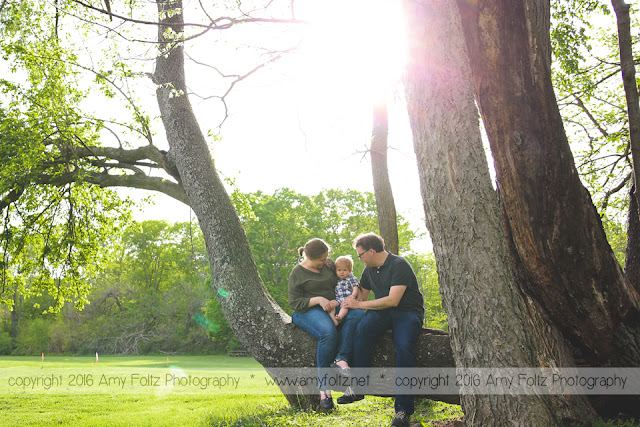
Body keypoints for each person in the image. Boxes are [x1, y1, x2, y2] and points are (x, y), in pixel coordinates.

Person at [338, 233, 424, 427]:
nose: (359, 259)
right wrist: (348, 304)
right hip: (382, 312)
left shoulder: (398, 264)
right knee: (362, 330)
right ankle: (359, 387)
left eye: (360, 255)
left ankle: (403, 410)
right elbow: (362, 300)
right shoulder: (368, 270)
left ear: (371, 251)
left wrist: (360, 306)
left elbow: (393, 300)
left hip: (407, 312)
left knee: (402, 347)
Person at [288, 238, 365, 410]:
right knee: (328, 333)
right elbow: (295, 303)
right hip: (307, 311)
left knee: (358, 314)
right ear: (310, 257)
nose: (325, 262)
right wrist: (318, 299)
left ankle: (341, 358)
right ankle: (325, 390)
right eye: (322, 259)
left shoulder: (328, 264)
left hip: (335, 305)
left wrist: (351, 297)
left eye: (326, 258)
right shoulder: (297, 273)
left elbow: (346, 278)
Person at [333, 255, 360, 325]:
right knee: (331, 305)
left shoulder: (351, 278)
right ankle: (333, 320)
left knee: (344, 307)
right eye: (339, 270)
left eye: (344, 270)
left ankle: (340, 317)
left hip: (346, 298)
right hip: (338, 299)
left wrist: (353, 295)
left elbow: (355, 287)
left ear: (350, 270)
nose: (342, 272)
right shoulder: (336, 279)